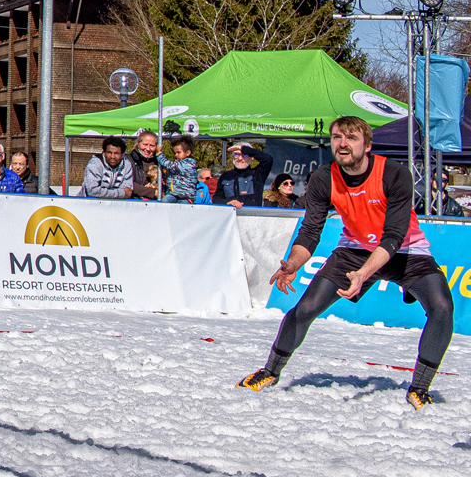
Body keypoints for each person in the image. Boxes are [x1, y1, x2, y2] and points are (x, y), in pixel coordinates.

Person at [240, 115, 452, 408]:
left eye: (351, 138)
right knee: (304, 309)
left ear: (367, 145)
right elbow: (311, 231)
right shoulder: (323, 177)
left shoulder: (393, 173)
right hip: (354, 250)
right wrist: (293, 263)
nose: (342, 143)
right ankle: (269, 371)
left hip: (405, 251)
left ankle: (419, 387)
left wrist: (365, 274)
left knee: (442, 308)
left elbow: (392, 236)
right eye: (337, 137)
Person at [154, 135, 207, 203]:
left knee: (182, 206)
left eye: (178, 152)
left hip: (185, 196)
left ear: (188, 153)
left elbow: (167, 164)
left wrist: (159, 154)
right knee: (165, 200)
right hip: (174, 194)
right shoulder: (179, 164)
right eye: (175, 153)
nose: (176, 155)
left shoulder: (186, 164)